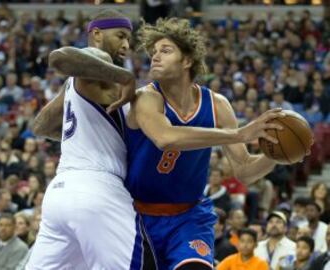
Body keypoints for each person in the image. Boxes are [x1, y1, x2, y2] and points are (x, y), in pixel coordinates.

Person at [123, 17, 297, 269]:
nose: (155, 57)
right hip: (136, 217)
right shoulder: (146, 98)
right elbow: (165, 138)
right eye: (154, 52)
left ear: (187, 60)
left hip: (189, 217)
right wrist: (239, 134)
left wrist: (278, 154)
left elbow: (245, 171)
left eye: (166, 50)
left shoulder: (217, 105)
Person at [27, 10, 155, 270]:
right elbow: (59, 58)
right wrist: (126, 77)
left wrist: (88, 128)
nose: (126, 45)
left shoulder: (77, 82)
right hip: (97, 189)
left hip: (60, 193)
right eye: (120, 35)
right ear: (96, 34)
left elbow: (40, 126)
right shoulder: (99, 60)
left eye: (128, 39)